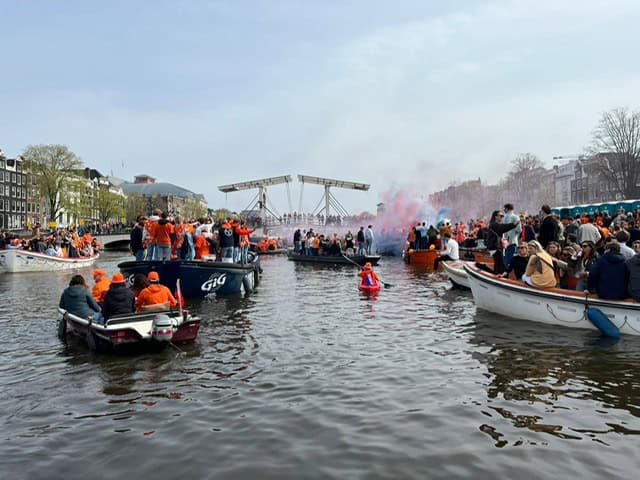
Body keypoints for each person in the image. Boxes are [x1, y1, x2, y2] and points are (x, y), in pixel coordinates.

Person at [485, 210, 518, 275]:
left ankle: (497, 276)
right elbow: (503, 227)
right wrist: (513, 224)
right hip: (495, 248)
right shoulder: (494, 224)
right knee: (499, 265)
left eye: (503, 216)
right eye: (501, 216)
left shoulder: (494, 224)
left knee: (499, 264)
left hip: (496, 248)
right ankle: (497, 278)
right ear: (496, 216)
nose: (502, 217)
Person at [502, 203, 522, 268]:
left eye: (504, 208)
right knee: (511, 259)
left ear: (507, 209)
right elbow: (519, 230)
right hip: (512, 240)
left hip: (504, 241)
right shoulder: (515, 217)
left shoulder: (503, 217)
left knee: (505, 258)